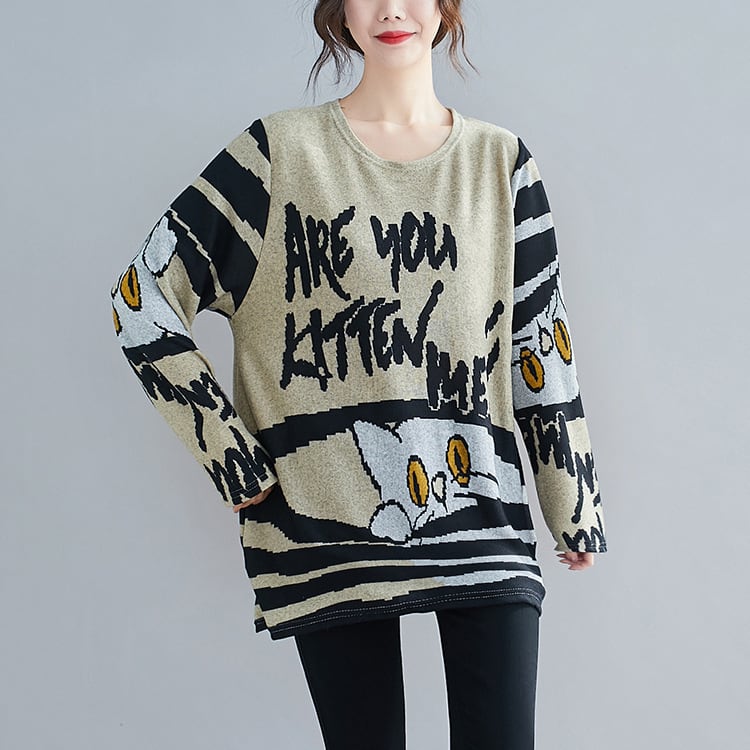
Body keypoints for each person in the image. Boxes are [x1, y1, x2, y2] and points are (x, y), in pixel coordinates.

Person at [109, 1, 608, 747]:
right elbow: (141, 299)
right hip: (327, 523)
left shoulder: (500, 163)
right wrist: (230, 458)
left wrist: (573, 502)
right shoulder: (277, 154)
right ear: (339, 9)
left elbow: (539, 336)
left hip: (483, 517)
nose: (392, 8)